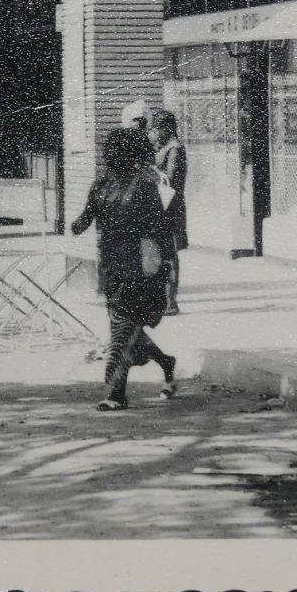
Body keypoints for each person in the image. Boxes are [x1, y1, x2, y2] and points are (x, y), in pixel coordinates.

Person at [70, 127, 179, 410]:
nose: (112, 157)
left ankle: (115, 393)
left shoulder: (143, 185)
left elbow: (161, 229)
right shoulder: (102, 185)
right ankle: (166, 362)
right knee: (127, 329)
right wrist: (77, 225)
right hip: (113, 268)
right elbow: (84, 220)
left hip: (140, 269)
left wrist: (167, 270)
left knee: (122, 329)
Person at [150, 110, 189, 314]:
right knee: (163, 253)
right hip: (162, 206)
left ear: (165, 129)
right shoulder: (165, 147)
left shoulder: (174, 149)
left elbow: (171, 179)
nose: (153, 134)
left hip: (169, 207)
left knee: (169, 254)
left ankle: (170, 301)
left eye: (155, 129)